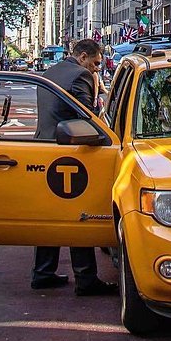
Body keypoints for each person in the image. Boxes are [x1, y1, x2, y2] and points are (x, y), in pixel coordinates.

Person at [31, 38, 117, 296]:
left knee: (50, 216)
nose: (97, 69)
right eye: (96, 63)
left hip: (43, 148)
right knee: (80, 213)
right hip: (71, 154)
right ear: (82, 57)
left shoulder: (52, 71)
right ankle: (85, 278)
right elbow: (88, 118)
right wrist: (98, 94)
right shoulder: (81, 76)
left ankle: (43, 272)